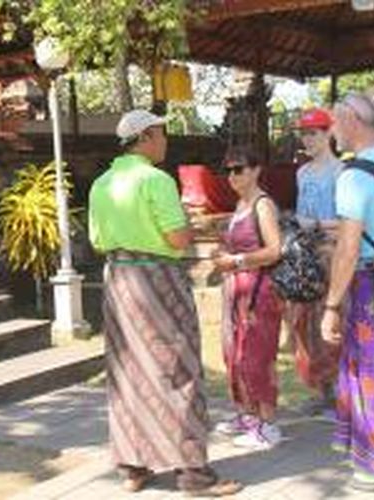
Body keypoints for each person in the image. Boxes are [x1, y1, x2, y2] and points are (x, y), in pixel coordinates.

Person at [88, 109, 242, 496]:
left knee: (127, 371)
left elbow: (95, 241)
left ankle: (133, 466)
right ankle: (193, 474)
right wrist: (190, 226)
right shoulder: (155, 180)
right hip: (157, 280)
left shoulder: (101, 183)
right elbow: (176, 240)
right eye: (161, 133)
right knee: (178, 368)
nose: (165, 141)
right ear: (145, 137)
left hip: (119, 280)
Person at [321, 93, 374, 492]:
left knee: (371, 371)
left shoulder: (353, 175)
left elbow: (347, 250)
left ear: (351, 121)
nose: (332, 131)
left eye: (334, 122)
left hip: (372, 287)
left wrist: (331, 306)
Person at [212, 146, 284, 449]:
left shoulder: (262, 204)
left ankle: (268, 424)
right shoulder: (241, 204)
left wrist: (237, 261)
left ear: (255, 170)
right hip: (236, 291)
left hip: (260, 291)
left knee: (257, 356)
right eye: (228, 170)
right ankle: (248, 415)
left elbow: (275, 250)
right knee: (235, 356)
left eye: (239, 169)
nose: (232, 176)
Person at [286, 108, 342, 416]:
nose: (308, 139)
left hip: (331, 253)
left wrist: (317, 225)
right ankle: (322, 390)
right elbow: (299, 212)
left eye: (314, 133)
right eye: (304, 133)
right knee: (306, 323)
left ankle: (341, 389)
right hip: (305, 254)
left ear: (328, 133)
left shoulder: (341, 172)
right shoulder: (302, 172)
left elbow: (347, 220)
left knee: (333, 319)